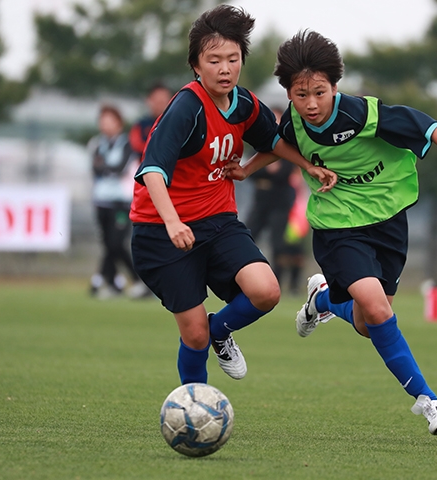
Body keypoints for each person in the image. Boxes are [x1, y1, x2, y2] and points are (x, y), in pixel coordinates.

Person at [229, 30, 437, 435]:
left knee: (367, 322)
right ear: (289, 92)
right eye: (300, 94)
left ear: (335, 86)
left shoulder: (363, 115)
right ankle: (427, 399)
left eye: (319, 92)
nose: (311, 104)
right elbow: (277, 145)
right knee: (380, 311)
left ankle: (322, 299)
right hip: (338, 227)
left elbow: (430, 129)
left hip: (388, 222)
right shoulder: (293, 121)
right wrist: (245, 169)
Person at [129, 6, 336, 386]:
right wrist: (173, 221)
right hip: (162, 230)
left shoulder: (244, 103)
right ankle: (195, 406)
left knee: (266, 291)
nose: (225, 68)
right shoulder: (187, 108)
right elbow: (152, 171)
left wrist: (301, 166)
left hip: (218, 222)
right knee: (193, 335)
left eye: (233, 59)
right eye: (214, 60)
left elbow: (274, 141)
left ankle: (220, 330)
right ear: (196, 65)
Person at [88, 105, 150, 299]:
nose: (105, 125)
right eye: (103, 120)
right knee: (108, 244)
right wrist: (107, 168)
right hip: (101, 201)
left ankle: (134, 280)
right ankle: (113, 283)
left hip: (121, 202)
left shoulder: (127, 144)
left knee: (116, 243)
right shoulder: (97, 143)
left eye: (110, 120)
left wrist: (106, 167)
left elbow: (120, 168)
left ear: (118, 123)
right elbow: (96, 169)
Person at [246, 108, 307, 295]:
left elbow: (284, 173)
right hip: (261, 200)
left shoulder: (290, 145)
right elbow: (249, 172)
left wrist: (268, 170)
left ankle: (277, 281)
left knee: (279, 243)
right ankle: (243, 277)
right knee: (247, 236)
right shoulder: (257, 143)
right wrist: (267, 169)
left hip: (281, 201)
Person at [129, 82, 172, 156]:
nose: (160, 104)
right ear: (148, 100)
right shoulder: (140, 125)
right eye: (157, 101)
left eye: (163, 101)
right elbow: (136, 146)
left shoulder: (175, 123)